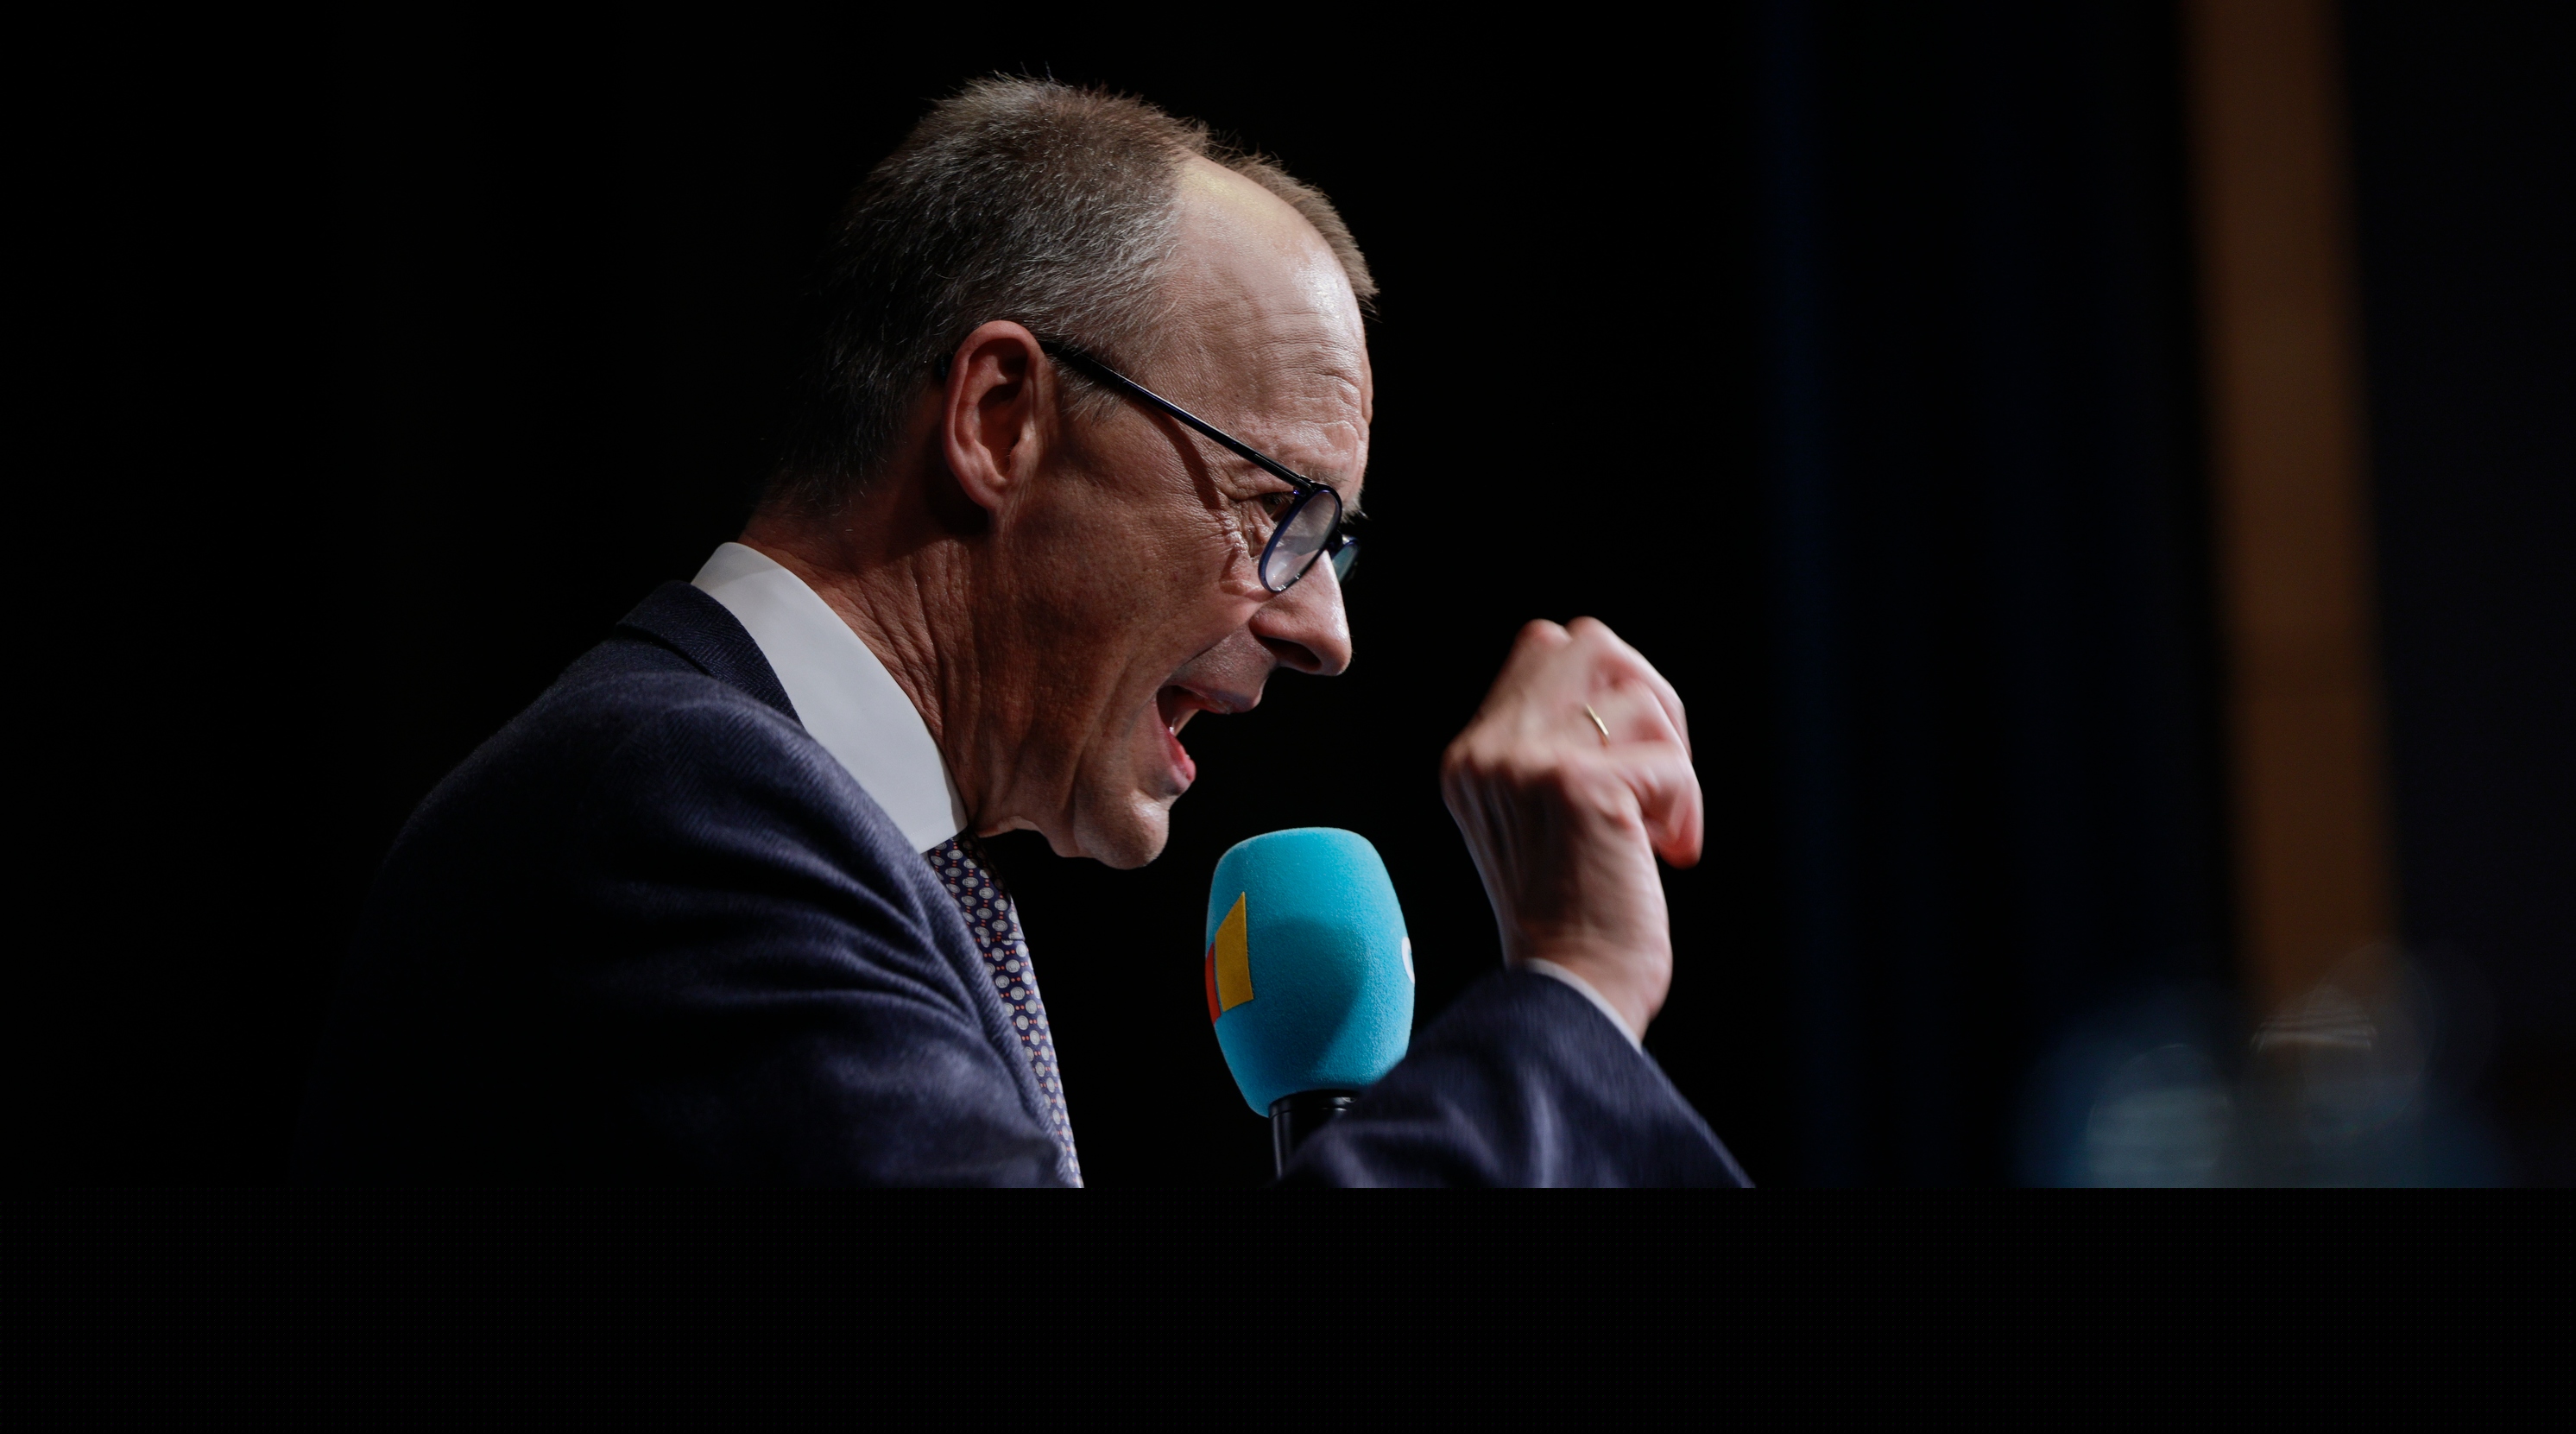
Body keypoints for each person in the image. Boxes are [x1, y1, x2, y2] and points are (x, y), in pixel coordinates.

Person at [300, 78, 1748, 1186]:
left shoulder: (802, 838)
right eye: (1278, 507)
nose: (1328, 631)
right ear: (1001, 419)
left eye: (1337, 538)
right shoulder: (671, 812)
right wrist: (1570, 989)